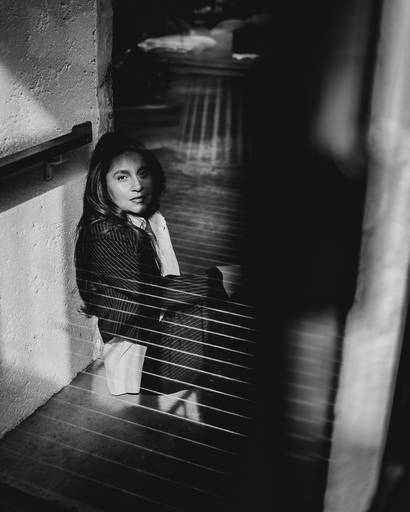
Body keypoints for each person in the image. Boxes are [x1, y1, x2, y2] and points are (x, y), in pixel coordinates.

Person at [74, 131, 228, 396]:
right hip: (142, 364)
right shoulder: (103, 234)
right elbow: (157, 292)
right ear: (102, 184)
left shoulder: (148, 219)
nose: (137, 185)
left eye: (142, 173)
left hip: (162, 336)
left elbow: (169, 283)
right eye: (122, 177)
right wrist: (219, 278)